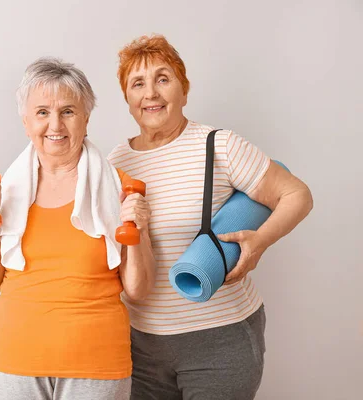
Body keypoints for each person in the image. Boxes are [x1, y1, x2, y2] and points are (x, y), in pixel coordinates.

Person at [108, 34, 314, 400]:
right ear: (127, 99)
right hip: (139, 344)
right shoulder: (114, 164)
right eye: (137, 83)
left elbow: (297, 194)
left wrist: (260, 242)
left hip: (219, 340)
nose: (150, 93)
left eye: (163, 79)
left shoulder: (219, 145)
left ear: (184, 91)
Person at [0, 57, 156, 400]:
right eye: (42, 112)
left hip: (98, 362)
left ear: (85, 118)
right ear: (26, 122)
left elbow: (138, 289)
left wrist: (139, 229)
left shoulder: (120, 190)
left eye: (68, 111)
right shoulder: (2, 192)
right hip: (15, 360)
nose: (56, 124)